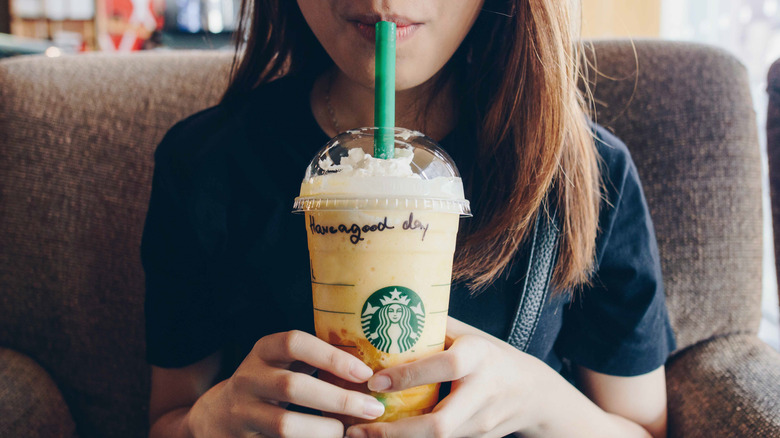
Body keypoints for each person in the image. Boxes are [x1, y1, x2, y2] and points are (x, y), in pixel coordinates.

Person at [142, 0, 676, 437]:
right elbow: (168, 418)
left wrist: (540, 402)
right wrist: (206, 422)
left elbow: (641, 428)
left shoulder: (584, 173)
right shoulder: (205, 162)